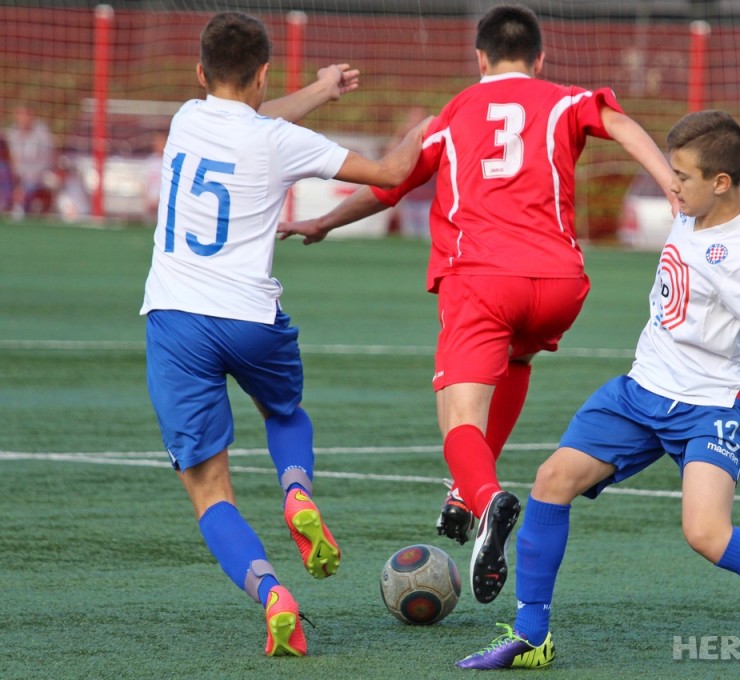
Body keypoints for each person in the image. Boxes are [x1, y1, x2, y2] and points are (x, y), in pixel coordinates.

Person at [454, 110, 740, 680]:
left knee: (706, 534)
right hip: (641, 391)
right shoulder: (693, 202)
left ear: (720, 183)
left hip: (709, 407)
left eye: (681, 177)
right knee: (551, 480)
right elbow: (648, 151)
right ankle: (531, 635)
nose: (671, 186)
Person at [276, 3, 677, 606]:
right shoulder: (565, 99)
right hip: (560, 284)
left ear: (480, 58)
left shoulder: (455, 112)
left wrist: (327, 220)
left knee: (457, 418)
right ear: (539, 59)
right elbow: (616, 122)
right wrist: (671, 181)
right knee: (515, 363)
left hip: (484, 280)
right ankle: (465, 494)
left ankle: (486, 501)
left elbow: (393, 183)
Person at [139, 11, 426, 657]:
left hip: (176, 319)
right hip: (251, 320)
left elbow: (252, 114)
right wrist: (432, 127)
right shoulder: (278, 141)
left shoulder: (186, 117)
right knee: (284, 410)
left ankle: (273, 594)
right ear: (265, 72)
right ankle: (296, 490)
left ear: (200, 72)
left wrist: (322, 88)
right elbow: (389, 173)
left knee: (211, 493)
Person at [5, 104, 54, 216]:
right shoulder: (12, 133)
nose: (22, 118)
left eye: (26, 115)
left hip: (40, 174)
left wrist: (27, 181)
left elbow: (46, 161)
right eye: (20, 115)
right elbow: (13, 159)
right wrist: (17, 181)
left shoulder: (42, 133)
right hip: (20, 177)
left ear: (32, 116)